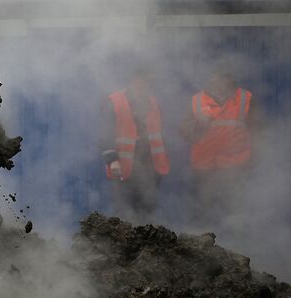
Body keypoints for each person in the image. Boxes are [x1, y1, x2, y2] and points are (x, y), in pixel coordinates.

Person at [180, 66, 263, 226]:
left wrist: (254, 159)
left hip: (234, 167)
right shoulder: (198, 100)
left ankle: (235, 246)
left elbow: (259, 129)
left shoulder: (245, 99)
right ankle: (198, 247)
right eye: (216, 79)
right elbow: (184, 131)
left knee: (234, 213)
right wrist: (198, 125)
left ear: (231, 82)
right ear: (211, 80)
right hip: (203, 167)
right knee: (201, 213)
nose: (220, 84)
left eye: (225, 80)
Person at [99, 69, 171, 223]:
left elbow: (159, 134)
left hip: (150, 169)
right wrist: (113, 160)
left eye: (147, 81)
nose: (144, 84)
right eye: (140, 80)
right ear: (131, 80)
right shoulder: (114, 101)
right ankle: (121, 246)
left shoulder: (153, 103)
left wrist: (159, 166)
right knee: (124, 214)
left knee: (147, 212)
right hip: (124, 168)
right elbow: (104, 134)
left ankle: (145, 245)